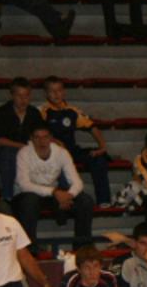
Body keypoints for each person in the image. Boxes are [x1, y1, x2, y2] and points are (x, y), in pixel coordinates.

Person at [13, 123, 95, 247]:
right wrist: (54, 192)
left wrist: (69, 195)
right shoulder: (23, 153)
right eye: (37, 137)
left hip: (53, 194)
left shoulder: (61, 152)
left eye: (45, 137)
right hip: (28, 195)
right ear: (31, 138)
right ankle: (30, 248)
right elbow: (24, 184)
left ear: (51, 138)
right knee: (29, 201)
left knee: (86, 201)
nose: (41, 141)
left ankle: (82, 247)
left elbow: (77, 182)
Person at [40, 76, 112, 205]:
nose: (56, 94)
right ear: (46, 94)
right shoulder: (42, 111)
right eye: (52, 91)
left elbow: (92, 127)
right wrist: (53, 141)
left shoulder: (72, 111)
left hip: (71, 150)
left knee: (99, 158)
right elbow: (36, 134)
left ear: (64, 91)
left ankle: (104, 202)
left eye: (59, 90)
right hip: (52, 154)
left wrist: (102, 147)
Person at [0, 78, 41, 203]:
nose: (23, 99)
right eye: (19, 95)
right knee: (9, 154)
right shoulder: (3, 112)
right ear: (12, 95)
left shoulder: (34, 113)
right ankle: (8, 196)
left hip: (27, 149)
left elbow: (41, 133)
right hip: (3, 151)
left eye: (26, 95)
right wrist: (20, 146)